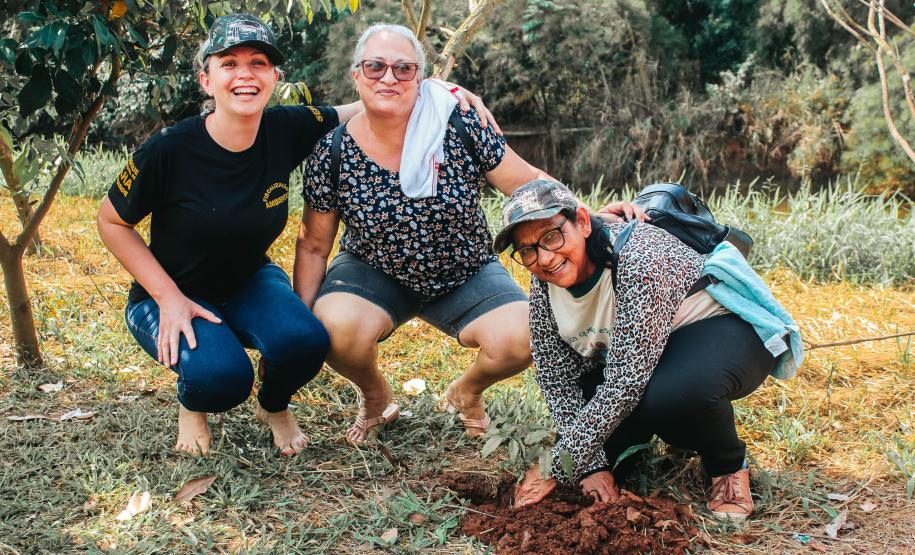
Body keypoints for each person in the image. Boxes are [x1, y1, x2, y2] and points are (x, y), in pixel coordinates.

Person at [97, 14, 493, 457]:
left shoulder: (287, 128)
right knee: (220, 380)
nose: (245, 75)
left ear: (274, 77)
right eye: (229, 64)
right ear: (206, 80)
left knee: (307, 340)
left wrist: (442, 93)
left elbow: (373, 100)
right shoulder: (168, 149)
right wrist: (167, 298)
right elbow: (112, 223)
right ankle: (194, 403)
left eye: (258, 63)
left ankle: (274, 405)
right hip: (170, 291)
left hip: (248, 280)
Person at [294, 23, 640, 446]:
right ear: (356, 74)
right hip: (373, 269)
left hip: (466, 270)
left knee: (526, 333)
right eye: (375, 67)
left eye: (404, 68)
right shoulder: (332, 151)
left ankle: (466, 392)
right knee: (334, 329)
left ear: (421, 79)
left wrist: (587, 214)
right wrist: (301, 324)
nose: (389, 77)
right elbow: (313, 244)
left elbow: (528, 182)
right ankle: (375, 395)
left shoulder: (458, 125)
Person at [500, 180, 803, 521]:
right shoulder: (544, 280)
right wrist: (590, 466)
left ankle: (727, 466)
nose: (544, 257)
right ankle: (639, 445)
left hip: (723, 331)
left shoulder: (637, 258)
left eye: (552, 236)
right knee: (591, 431)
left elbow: (626, 382)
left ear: (582, 222)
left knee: (672, 396)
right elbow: (556, 377)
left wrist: (556, 467)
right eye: (527, 250)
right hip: (643, 355)